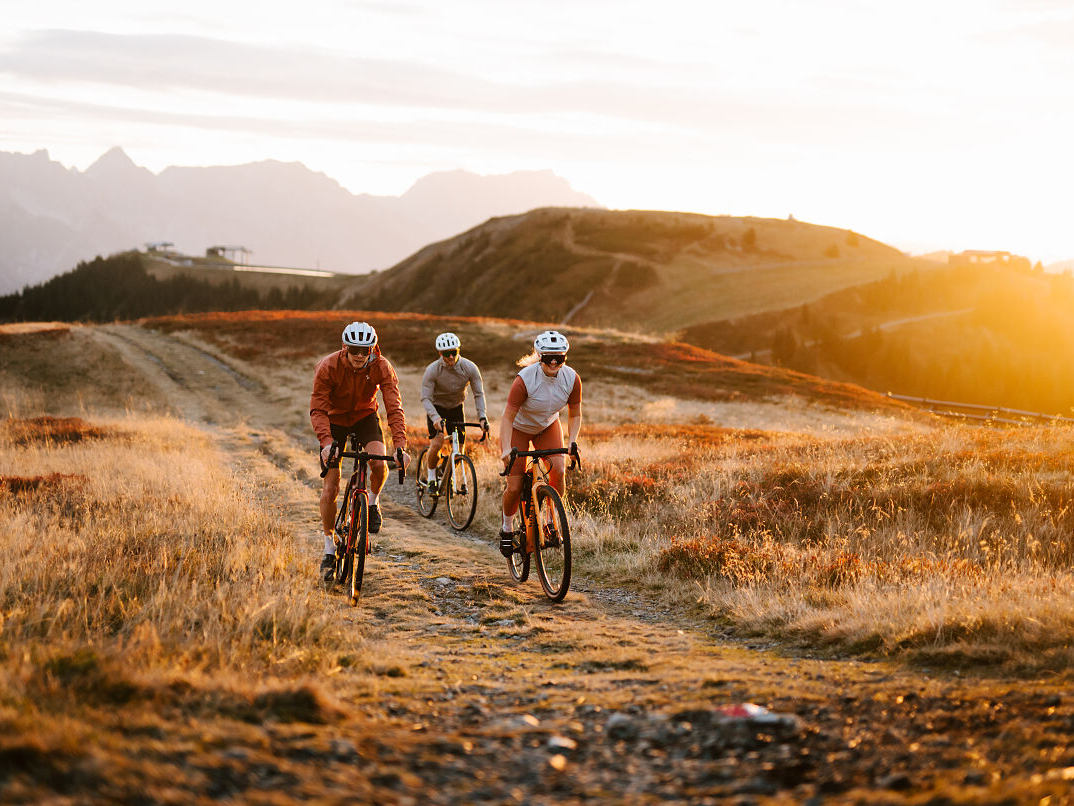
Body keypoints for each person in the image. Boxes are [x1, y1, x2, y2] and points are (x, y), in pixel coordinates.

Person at [311, 321, 410, 580]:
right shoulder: (328, 366)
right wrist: (325, 443)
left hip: (365, 417)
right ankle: (329, 547)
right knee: (331, 487)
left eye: (364, 350)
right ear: (345, 348)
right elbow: (318, 410)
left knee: (379, 463)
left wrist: (400, 446)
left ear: (373, 349)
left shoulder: (382, 367)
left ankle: (373, 502)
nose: (358, 355)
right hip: (334, 421)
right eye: (353, 349)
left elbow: (394, 408)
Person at [498, 330, 581, 556]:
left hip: (547, 426)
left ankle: (552, 520)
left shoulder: (571, 378)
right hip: (519, 429)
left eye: (559, 358)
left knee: (560, 470)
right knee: (514, 487)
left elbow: (575, 414)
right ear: (539, 356)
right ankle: (507, 529)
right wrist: (506, 448)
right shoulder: (524, 380)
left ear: (565, 357)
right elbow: (507, 417)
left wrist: (572, 443)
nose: (553, 363)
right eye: (547, 358)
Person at [420, 332, 488, 486]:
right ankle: (431, 477)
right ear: (440, 353)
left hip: (456, 408)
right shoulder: (432, 370)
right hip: (437, 409)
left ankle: (444, 471)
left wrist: (483, 417)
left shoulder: (469, 367)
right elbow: (426, 398)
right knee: (437, 444)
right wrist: (435, 417)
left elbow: (479, 394)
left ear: (459, 351)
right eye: (446, 354)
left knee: (459, 452)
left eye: (454, 352)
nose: (451, 357)